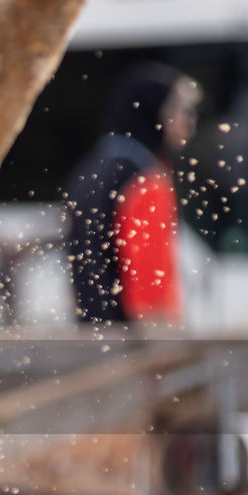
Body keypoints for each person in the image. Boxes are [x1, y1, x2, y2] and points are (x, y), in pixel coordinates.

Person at [62, 61, 200, 325]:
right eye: (180, 109)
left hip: (93, 340)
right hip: (134, 348)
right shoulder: (145, 179)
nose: (189, 122)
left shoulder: (89, 170)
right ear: (152, 111)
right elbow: (150, 298)